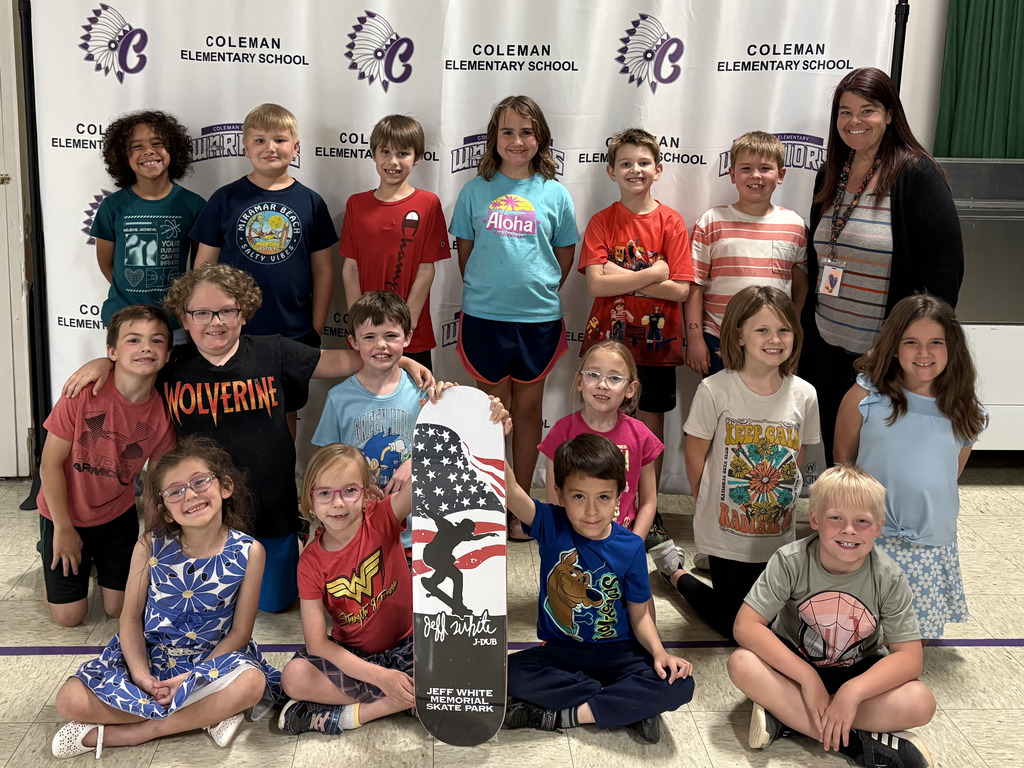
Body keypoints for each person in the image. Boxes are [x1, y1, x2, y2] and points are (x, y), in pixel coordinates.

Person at [61, 264, 433, 613]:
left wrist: (404, 361)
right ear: (185, 318)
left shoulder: (274, 351)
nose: (215, 322)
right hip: (203, 511)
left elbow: (350, 360)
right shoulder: (172, 366)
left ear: (243, 313)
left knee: (273, 602)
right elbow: (134, 361)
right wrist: (104, 363)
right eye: (202, 313)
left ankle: (289, 548)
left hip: (270, 507)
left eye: (226, 311)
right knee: (208, 601)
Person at [279, 395, 507, 734]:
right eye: (324, 493)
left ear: (368, 493)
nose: (337, 502)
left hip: (413, 643)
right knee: (293, 678)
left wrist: (463, 419)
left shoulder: (382, 516)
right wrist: (380, 677)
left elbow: (429, 475)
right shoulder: (310, 562)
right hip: (357, 656)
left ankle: (368, 707)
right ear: (310, 501)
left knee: (469, 664)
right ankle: (395, 701)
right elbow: (318, 644)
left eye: (349, 490)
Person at [51, 436, 283, 758]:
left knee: (252, 684)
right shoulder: (150, 545)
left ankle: (137, 733)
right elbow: (130, 618)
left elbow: (241, 633)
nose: (191, 495)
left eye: (200, 481)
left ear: (225, 487)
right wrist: (142, 676)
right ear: (167, 511)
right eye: (175, 491)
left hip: (210, 663)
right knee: (68, 699)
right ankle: (205, 715)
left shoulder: (250, 552)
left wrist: (192, 677)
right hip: (149, 657)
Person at [800, 67, 964, 465]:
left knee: (879, 461)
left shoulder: (917, 175)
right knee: (840, 457)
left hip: (884, 355)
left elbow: (943, 275)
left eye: (867, 110)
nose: (854, 122)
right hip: (827, 344)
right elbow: (820, 256)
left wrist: (905, 349)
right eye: (844, 111)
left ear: (890, 114)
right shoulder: (831, 174)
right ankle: (840, 528)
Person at [728, 464, 937, 768]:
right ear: (814, 518)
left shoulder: (888, 576)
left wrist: (853, 693)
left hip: (858, 670)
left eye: (862, 522)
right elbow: (745, 626)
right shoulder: (790, 561)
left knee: (922, 702)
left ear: (879, 527)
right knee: (741, 663)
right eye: (835, 517)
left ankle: (787, 717)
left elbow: (909, 657)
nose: (848, 530)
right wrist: (807, 677)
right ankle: (857, 744)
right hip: (795, 669)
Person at [503, 433, 694, 744]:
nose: (591, 510)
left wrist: (660, 653)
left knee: (680, 684)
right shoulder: (551, 523)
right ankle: (625, 706)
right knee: (505, 673)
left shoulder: (630, 546)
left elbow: (641, 614)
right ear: (560, 494)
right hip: (562, 651)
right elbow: (510, 490)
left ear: (619, 495)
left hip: (620, 653)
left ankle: (565, 715)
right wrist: (497, 430)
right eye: (578, 496)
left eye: (603, 497)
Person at [450, 94, 579, 539]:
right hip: (485, 317)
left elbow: (563, 256)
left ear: (540, 137)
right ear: (494, 137)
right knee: (492, 413)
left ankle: (521, 506)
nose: (518, 140)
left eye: (526, 131)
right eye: (508, 131)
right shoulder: (474, 191)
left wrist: (534, 289)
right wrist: (494, 290)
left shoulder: (555, 193)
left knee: (528, 412)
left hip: (537, 319)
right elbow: (465, 255)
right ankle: (490, 503)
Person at [662, 286, 820, 641]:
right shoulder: (715, 389)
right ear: (739, 335)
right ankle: (675, 573)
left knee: (776, 625)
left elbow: (799, 454)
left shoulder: (805, 395)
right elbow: (695, 453)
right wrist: (708, 505)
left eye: (784, 330)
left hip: (776, 533)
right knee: (738, 630)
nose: (775, 339)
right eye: (762, 330)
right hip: (725, 532)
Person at [834, 294, 986, 639]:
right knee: (855, 634)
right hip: (869, 540)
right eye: (911, 342)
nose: (924, 353)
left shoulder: (964, 409)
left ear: (953, 349)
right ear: (893, 346)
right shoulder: (865, 398)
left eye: (936, 343)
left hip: (928, 545)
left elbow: (951, 472)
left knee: (909, 639)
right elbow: (844, 465)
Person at [577, 127, 694, 552]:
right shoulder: (602, 221)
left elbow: (681, 289)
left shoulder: (670, 222)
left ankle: (648, 504)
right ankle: (600, 503)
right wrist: (653, 274)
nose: (635, 169)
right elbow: (594, 285)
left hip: (658, 349)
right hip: (609, 346)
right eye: (625, 163)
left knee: (648, 427)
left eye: (643, 162)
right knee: (600, 420)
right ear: (611, 171)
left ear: (659, 169)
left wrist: (621, 280)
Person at [38, 305, 176, 627]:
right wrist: (62, 527)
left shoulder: (161, 417)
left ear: (168, 354)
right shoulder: (83, 395)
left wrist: (150, 539)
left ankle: (98, 561)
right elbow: (49, 465)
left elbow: (155, 484)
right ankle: (49, 551)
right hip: (63, 513)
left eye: (156, 341)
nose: (145, 347)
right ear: (112, 351)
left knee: (116, 608)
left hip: (115, 517)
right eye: (133, 340)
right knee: (70, 617)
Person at [312, 291, 451, 551]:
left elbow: (445, 451)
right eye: (370, 337)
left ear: (408, 337)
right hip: (359, 529)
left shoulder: (425, 393)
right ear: (353, 341)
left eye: (391, 336)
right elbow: (325, 465)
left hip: (417, 532)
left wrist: (415, 462)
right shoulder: (338, 398)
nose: (381, 345)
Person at [191, 103, 337, 345]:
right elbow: (204, 267)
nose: (270, 148)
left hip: (295, 332)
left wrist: (316, 327)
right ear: (245, 148)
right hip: (232, 331)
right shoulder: (223, 199)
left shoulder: (312, 203)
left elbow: (323, 271)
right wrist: (208, 321)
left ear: (296, 148)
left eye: (280, 140)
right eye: (259, 140)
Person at [538, 341, 686, 572]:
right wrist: (566, 545)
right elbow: (554, 500)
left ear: (630, 389)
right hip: (572, 547)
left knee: (635, 605)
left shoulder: (641, 436)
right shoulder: (561, 432)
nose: (602, 385)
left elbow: (648, 501)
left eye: (614, 378)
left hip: (621, 545)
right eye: (593, 375)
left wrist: (634, 543)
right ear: (579, 381)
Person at [684, 130, 808, 377]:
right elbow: (694, 285)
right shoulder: (711, 222)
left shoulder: (794, 224)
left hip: (774, 343)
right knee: (721, 410)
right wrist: (695, 337)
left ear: (781, 175)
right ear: (731, 174)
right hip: (719, 339)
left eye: (765, 168)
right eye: (746, 168)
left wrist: (791, 332)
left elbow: (800, 288)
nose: (755, 176)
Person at [340, 114, 451, 371]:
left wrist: (404, 325)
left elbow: (426, 269)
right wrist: (360, 325)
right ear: (374, 154)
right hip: (366, 334)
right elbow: (350, 268)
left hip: (412, 334)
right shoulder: (356, 204)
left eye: (403, 153)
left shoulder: (429, 204)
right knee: (368, 406)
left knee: (416, 405)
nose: (393, 161)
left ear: (418, 156)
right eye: (385, 152)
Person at [92, 110, 205, 344]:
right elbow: (107, 264)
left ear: (172, 150)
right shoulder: (112, 207)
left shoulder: (194, 205)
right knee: (129, 382)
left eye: (157, 143)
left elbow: (200, 268)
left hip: (175, 324)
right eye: (136, 146)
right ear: (124, 156)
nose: (148, 151)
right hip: (124, 322)